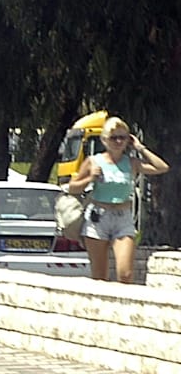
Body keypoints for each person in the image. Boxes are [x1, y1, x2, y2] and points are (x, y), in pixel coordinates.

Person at [66, 116, 169, 282]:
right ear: (105, 140)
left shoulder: (132, 163)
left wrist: (140, 148)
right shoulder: (94, 161)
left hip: (123, 218)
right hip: (98, 218)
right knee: (100, 276)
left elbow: (162, 167)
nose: (119, 141)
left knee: (125, 274)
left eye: (123, 137)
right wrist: (90, 178)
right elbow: (72, 187)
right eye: (114, 137)